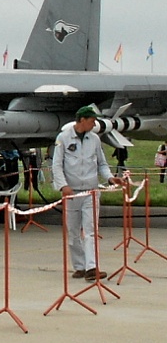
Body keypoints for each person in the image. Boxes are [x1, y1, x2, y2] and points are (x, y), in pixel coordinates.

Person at [51, 105, 125, 282]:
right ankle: (80, 267)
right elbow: (57, 165)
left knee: (90, 231)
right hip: (72, 193)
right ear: (82, 120)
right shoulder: (63, 138)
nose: (94, 124)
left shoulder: (95, 139)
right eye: (92, 121)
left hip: (91, 192)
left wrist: (110, 178)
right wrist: (63, 186)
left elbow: (102, 163)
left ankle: (92, 267)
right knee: (73, 232)